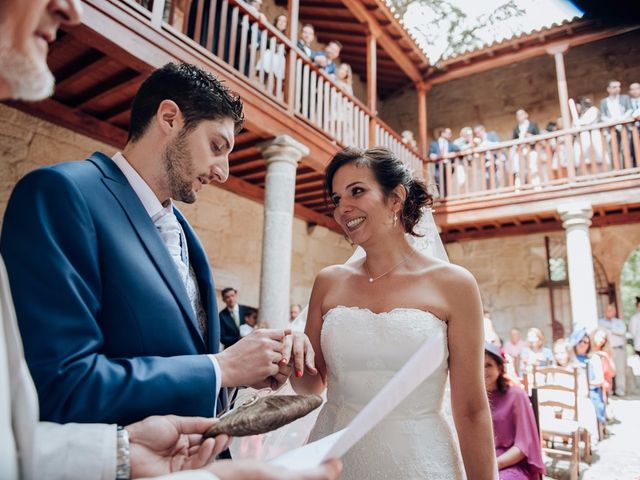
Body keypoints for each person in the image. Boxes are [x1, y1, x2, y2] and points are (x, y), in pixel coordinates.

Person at [0, 1, 342, 479]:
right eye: (217, 146)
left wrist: (255, 366)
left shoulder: (184, 235)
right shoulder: (63, 194)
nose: (223, 171)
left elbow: (194, 360)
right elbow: (59, 384)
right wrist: (220, 368)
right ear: (169, 118)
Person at [290, 147, 496, 478]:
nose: (343, 207)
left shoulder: (454, 285)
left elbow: (471, 410)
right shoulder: (328, 282)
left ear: (396, 198)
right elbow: (310, 386)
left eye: (357, 191)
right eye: (336, 198)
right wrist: (293, 353)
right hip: (335, 456)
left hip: (418, 459)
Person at [484, 343, 545, 480]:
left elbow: (523, 447)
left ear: (499, 367)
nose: (482, 371)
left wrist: (493, 465)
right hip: (481, 461)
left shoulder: (516, 395)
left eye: (488, 365)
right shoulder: (472, 399)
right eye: (478, 366)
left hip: (511, 463)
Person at [569, 328, 606, 425]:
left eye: (585, 342)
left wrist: (585, 385)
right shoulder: (570, 359)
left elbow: (600, 380)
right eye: (580, 341)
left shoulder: (594, 358)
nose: (582, 344)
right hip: (572, 390)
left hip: (591, 390)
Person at [599, 303, 627, 396]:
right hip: (606, 350)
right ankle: (608, 390)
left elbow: (622, 331)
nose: (609, 312)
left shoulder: (619, 322)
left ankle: (620, 390)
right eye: (608, 310)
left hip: (618, 349)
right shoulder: (601, 322)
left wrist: (610, 329)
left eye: (611, 310)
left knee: (620, 370)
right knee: (607, 370)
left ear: (614, 312)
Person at [591, 327, 616, 400]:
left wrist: (607, 357)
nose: (601, 340)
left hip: (604, 388)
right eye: (599, 337)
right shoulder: (588, 352)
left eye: (604, 338)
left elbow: (613, 373)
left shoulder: (606, 354)